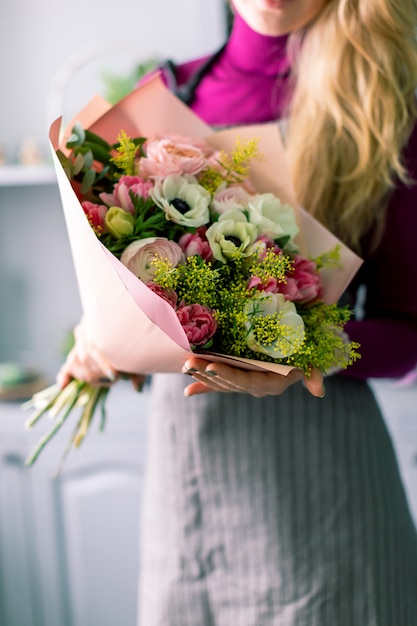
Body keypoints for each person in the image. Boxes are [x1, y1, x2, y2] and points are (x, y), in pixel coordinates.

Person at [58, 0, 417, 624]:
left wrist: (297, 350)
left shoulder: (383, 110)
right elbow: (130, 285)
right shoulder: (162, 96)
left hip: (328, 487)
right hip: (189, 482)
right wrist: (106, 340)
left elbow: (410, 335)